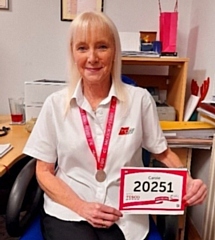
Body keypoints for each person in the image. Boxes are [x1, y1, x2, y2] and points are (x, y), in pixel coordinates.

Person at [23, 11, 207, 240]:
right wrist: (82, 207)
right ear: (73, 53)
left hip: (124, 213)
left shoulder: (139, 100)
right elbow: (43, 171)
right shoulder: (55, 104)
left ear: (114, 52)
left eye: (102, 46)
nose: (92, 57)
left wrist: (188, 180)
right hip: (70, 209)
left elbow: (163, 152)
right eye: (82, 48)